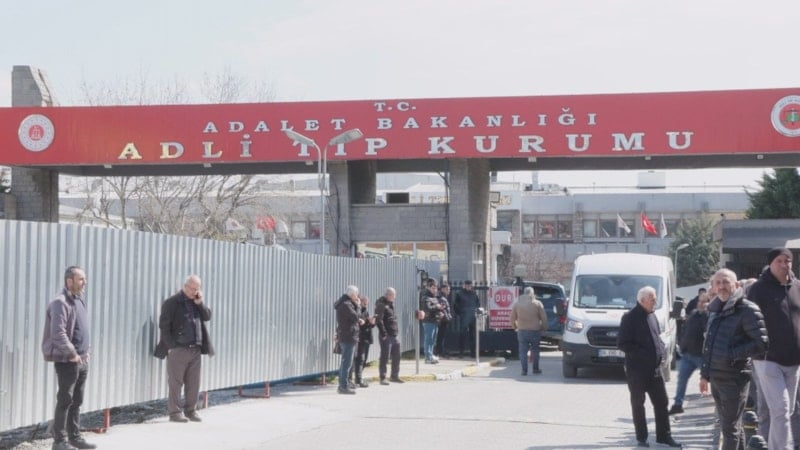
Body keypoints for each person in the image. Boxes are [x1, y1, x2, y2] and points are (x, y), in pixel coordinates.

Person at [700, 268, 768, 450]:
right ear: (713, 286)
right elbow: (709, 344)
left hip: (734, 378)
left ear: (736, 285)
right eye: (718, 282)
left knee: (729, 429)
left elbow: (761, 344)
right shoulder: (715, 309)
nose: (722, 286)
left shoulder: (747, 310)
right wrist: (704, 375)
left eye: (726, 282)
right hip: (716, 377)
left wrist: (731, 354)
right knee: (732, 427)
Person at [748, 247, 800, 450]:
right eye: (779, 261)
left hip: (794, 360)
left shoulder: (797, 287)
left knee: (788, 411)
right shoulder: (758, 289)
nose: (784, 265)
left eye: (788, 261)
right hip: (768, 359)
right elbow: (748, 321)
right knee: (781, 409)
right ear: (770, 264)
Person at [617, 286, 681, 448]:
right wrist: (643, 354)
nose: (655, 302)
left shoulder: (652, 315)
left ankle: (664, 436)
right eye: (652, 299)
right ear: (642, 300)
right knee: (638, 404)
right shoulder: (629, 318)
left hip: (655, 370)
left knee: (662, 402)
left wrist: (661, 349)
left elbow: (656, 337)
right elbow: (622, 343)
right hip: (637, 371)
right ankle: (641, 438)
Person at [41, 266, 97, 450]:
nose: (84, 282)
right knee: (65, 400)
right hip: (67, 361)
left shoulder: (79, 300)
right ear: (69, 281)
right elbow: (58, 333)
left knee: (77, 401)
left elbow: (81, 328)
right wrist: (72, 354)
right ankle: (59, 442)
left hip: (82, 360)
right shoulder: (60, 303)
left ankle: (74, 438)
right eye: (81, 279)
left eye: (84, 279)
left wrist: (86, 350)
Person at [156, 275, 214, 421]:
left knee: (194, 383)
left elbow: (207, 316)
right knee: (176, 383)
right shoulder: (172, 302)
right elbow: (164, 326)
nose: (194, 291)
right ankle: (175, 413)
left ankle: (191, 411)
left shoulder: (196, 302)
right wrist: (171, 347)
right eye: (192, 288)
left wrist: (200, 303)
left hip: (195, 349)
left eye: (197, 289)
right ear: (185, 286)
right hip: (179, 349)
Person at [669, 287, 711, 414]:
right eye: (700, 301)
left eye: (704, 302)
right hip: (688, 354)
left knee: (713, 381)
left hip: (702, 356)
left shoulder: (709, 316)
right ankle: (677, 404)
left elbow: (707, 332)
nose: (701, 304)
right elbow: (685, 330)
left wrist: (705, 313)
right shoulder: (693, 314)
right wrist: (682, 346)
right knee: (681, 380)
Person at [510, 286, 547, 375]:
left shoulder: (517, 304)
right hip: (535, 330)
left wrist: (515, 327)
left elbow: (512, 318)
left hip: (522, 330)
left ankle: (524, 370)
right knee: (535, 350)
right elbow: (544, 318)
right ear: (532, 293)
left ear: (524, 293)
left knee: (523, 351)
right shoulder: (537, 304)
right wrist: (544, 328)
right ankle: (535, 369)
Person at [334, 285, 362, 395]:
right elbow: (356, 317)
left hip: (347, 335)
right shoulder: (346, 304)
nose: (357, 296)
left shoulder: (345, 303)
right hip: (348, 336)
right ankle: (343, 386)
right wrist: (358, 306)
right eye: (356, 294)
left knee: (345, 362)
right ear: (352, 294)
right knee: (346, 363)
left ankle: (343, 384)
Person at [375, 287, 404, 385]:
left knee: (397, 355)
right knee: (385, 357)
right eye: (393, 295)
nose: (394, 297)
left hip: (394, 335)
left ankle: (394, 376)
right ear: (388, 295)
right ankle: (382, 377)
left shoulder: (391, 304)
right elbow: (379, 320)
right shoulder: (381, 304)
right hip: (386, 335)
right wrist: (384, 333)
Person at [350, 295, 375, 388]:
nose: (365, 304)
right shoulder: (357, 311)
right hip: (360, 338)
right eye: (364, 302)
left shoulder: (365, 311)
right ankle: (357, 379)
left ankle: (358, 378)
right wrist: (367, 322)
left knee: (363, 360)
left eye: (367, 303)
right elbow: (359, 324)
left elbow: (367, 325)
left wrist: (372, 323)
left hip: (366, 338)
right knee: (359, 359)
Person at [454, 280, 480, 358]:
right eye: (467, 285)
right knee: (462, 335)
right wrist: (461, 313)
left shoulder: (474, 294)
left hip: (473, 317)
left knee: (473, 335)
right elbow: (456, 305)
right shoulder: (459, 294)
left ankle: (473, 353)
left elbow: (478, 304)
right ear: (464, 285)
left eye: (470, 285)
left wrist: (475, 312)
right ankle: (461, 352)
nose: (468, 287)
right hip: (464, 316)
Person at [420, 278, 443, 364]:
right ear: (428, 288)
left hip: (435, 320)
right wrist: (437, 307)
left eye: (436, 288)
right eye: (433, 288)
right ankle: (428, 357)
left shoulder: (434, 297)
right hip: (428, 321)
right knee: (428, 339)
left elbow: (435, 308)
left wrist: (440, 312)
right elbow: (427, 308)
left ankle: (431, 355)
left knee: (433, 340)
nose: (435, 290)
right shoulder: (425, 297)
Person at [434, 283, 453, 358]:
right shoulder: (441, 297)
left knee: (441, 337)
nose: (449, 291)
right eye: (447, 289)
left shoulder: (443, 297)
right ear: (442, 289)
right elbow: (442, 309)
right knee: (440, 337)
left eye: (449, 289)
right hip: (442, 320)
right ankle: (439, 352)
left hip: (443, 320)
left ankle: (439, 351)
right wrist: (447, 317)